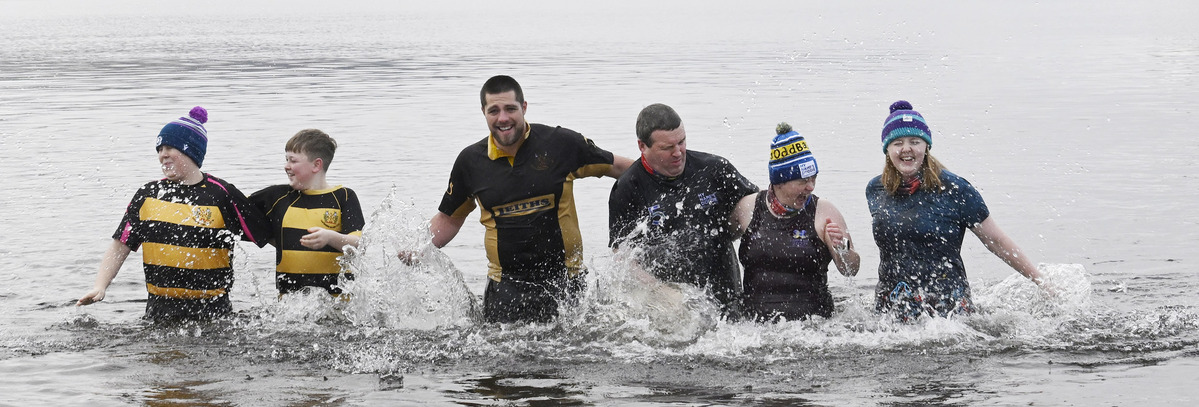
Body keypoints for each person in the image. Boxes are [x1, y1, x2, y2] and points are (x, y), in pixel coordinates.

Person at [428, 75, 634, 323]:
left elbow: (621, 168)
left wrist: (668, 174)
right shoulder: (470, 162)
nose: (503, 118)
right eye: (494, 110)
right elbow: (450, 219)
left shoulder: (561, 144)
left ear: (524, 107)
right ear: (483, 112)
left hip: (566, 285)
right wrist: (416, 248)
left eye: (510, 109)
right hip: (504, 289)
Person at [76, 106, 269, 320]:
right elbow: (120, 245)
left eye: (169, 148)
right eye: (159, 149)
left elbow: (266, 234)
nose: (162, 155)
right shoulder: (148, 195)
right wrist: (100, 286)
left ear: (191, 150)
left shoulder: (222, 194)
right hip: (158, 311)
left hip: (213, 314)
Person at [867, 100, 1049, 320]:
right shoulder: (876, 189)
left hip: (947, 309)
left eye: (914, 141)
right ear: (887, 149)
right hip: (890, 306)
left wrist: (1040, 282)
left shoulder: (956, 189)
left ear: (926, 146)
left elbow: (996, 241)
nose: (906, 149)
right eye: (897, 142)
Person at [608, 103, 757, 317]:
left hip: (725, 293)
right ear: (642, 146)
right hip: (669, 303)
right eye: (667, 148)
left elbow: (755, 206)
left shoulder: (714, 169)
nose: (678, 153)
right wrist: (660, 290)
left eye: (682, 142)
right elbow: (622, 256)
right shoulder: (628, 187)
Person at [730, 123, 860, 321]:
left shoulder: (824, 211)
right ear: (779, 181)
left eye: (813, 178)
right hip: (754, 327)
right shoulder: (747, 208)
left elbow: (850, 270)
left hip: (813, 325)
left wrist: (843, 248)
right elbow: (720, 242)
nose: (810, 187)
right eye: (802, 181)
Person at [250, 129, 364, 298]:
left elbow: (359, 246)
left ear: (316, 165)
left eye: (293, 160)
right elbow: (236, 212)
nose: (286, 166)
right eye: (286, 159)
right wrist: (280, 241)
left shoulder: (344, 197)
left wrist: (330, 237)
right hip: (289, 308)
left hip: (339, 307)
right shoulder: (277, 197)